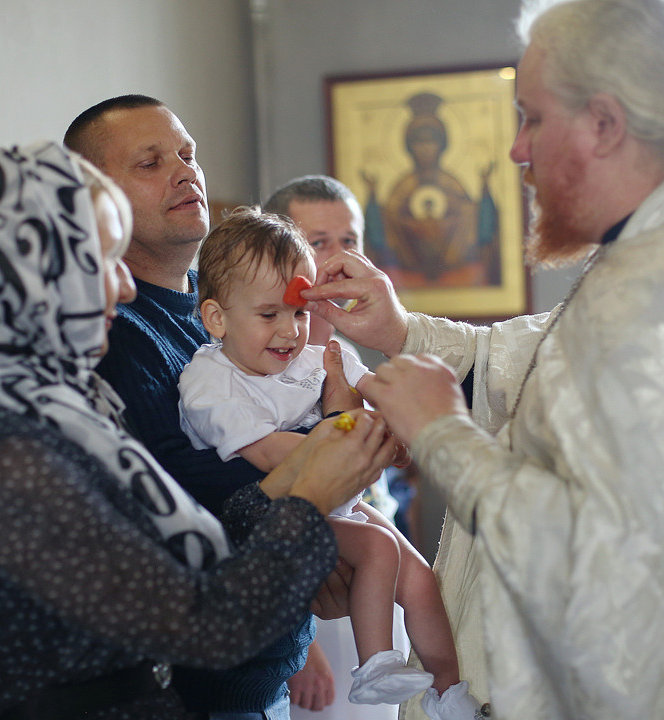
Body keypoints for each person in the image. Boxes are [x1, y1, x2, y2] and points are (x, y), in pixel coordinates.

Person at [301, 1, 664, 718]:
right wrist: (400, 331)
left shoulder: (656, 289)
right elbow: (540, 358)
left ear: (604, 124)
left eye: (533, 118)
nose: (518, 149)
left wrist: (442, 435)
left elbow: (597, 556)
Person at [0, 141, 397, 719]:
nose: (124, 286)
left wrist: (297, 495)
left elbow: (178, 548)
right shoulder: (4, 450)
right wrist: (307, 500)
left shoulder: (57, 410)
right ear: (30, 274)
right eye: (101, 261)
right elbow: (202, 624)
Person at [64, 95, 324, 719]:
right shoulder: (111, 333)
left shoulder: (225, 316)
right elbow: (182, 491)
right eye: (150, 162)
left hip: (261, 670)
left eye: (187, 154)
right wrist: (323, 468)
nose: (185, 172)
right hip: (190, 690)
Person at [177, 208, 477, 718]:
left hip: (341, 501)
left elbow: (377, 393)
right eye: (269, 315)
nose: (289, 332)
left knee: (422, 579)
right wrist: (353, 439)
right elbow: (267, 452)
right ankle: (375, 663)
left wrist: (398, 429)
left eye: (298, 313)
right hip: (279, 518)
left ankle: (449, 692)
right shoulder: (210, 381)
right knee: (379, 547)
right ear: (216, 318)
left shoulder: (315, 356)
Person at [263, 174, 408, 720]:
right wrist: (297, 644)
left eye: (349, 241)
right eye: (318, 242)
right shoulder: (252, 361)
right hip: (305, 604)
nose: (337, 260)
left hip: (371, 586)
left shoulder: (349, 356)